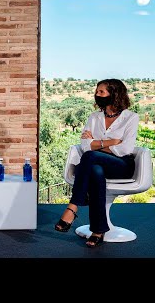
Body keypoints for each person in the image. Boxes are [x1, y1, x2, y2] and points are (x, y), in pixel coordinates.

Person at [55, 78, 139, 248]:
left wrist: (97, 143)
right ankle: (98, 230)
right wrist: (111, 142)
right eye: (97, 91)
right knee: (95, 170)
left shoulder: (131, 118)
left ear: (114, 94)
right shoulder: (94, 117)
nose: (97, 95)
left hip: (121, 165)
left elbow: (126, 149)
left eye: (101, 92)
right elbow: (86, 146)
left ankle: (72, 208)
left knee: (90, 158)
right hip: (96, 163)